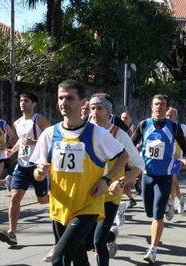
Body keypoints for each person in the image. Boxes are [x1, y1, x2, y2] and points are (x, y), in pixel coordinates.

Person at [30, 79, 129, 266]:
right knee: (78, 257)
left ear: (83, 102)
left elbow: (124, 156)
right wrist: (40, 174)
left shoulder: (97, 134)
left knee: (59, 259)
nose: (64, 103)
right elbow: (37, 174)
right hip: (59, 207)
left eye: (70, 98)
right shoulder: (50, 134)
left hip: (87, 206)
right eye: (60, 98)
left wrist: (106, 180)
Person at [131, 94, 186, 264]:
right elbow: (130, 144)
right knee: (149, 211)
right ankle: (167, 205)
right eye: (156, 104)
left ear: (167, 108)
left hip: (165, 176)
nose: (159, 107)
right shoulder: (144, 125)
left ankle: (153, 249)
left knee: (157, 215)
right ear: (152, 107)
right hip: (147, 174)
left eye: (162, 104)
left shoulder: (174, 128)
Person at [88, 94, 144, 263]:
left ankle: (106, 239)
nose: (95, 113)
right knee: (85, 242)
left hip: (110, 194)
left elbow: (139, 164)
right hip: (88, 193)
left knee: (98, 242)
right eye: (92, 109)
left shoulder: (119, 134)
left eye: (100, 109)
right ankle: (111, 236)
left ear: (109, 111)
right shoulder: (84, 131)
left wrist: (121, 182)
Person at [0, 92, 50, 245]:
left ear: (34, 104)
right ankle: (12, 232)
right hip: (22, 166)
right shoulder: (17, 123)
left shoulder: (39, 120)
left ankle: (60, 200)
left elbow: (52, 137)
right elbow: (21, 141)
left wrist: (34, 141)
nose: (22, 103)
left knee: (42, 200)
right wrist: (12, 151)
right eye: (21, 101)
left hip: (37, 166)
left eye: (26, 101)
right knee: (15, 197)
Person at [166, 107, 186, 214]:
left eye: (171, 116)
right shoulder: (164, 126)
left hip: (178, 159)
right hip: (166, 159)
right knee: (174, 181)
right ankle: (180, 199)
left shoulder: (181, 127)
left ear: (175, 116)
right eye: (167, 115)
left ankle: (171, 204)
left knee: (172, 179)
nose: (168, 118)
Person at [120, 111, 140, 207]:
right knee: (123, 178)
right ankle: (132, 198)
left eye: (126, 118)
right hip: (121, 156)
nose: (123, 120)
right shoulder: (118, 128)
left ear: (130, 119)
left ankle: (135, 183)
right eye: (122, 118)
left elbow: (141, 141)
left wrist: (138, 146)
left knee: (124, 178)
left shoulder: (135, 129)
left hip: (131, 157)